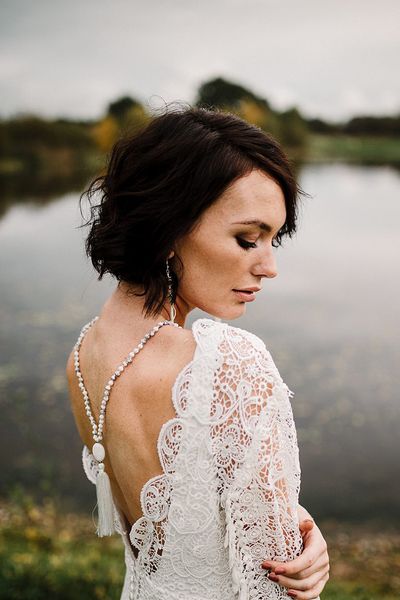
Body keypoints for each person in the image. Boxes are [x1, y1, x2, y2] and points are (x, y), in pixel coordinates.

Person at [66, 105, 330, 600]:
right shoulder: (227, 363)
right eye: (248, 239)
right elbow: (272, 584)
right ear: (169, 227)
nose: (268, 266)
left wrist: (289, 516)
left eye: (273, 240)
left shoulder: (85, 353)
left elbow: (178, 524)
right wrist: (304, 575)